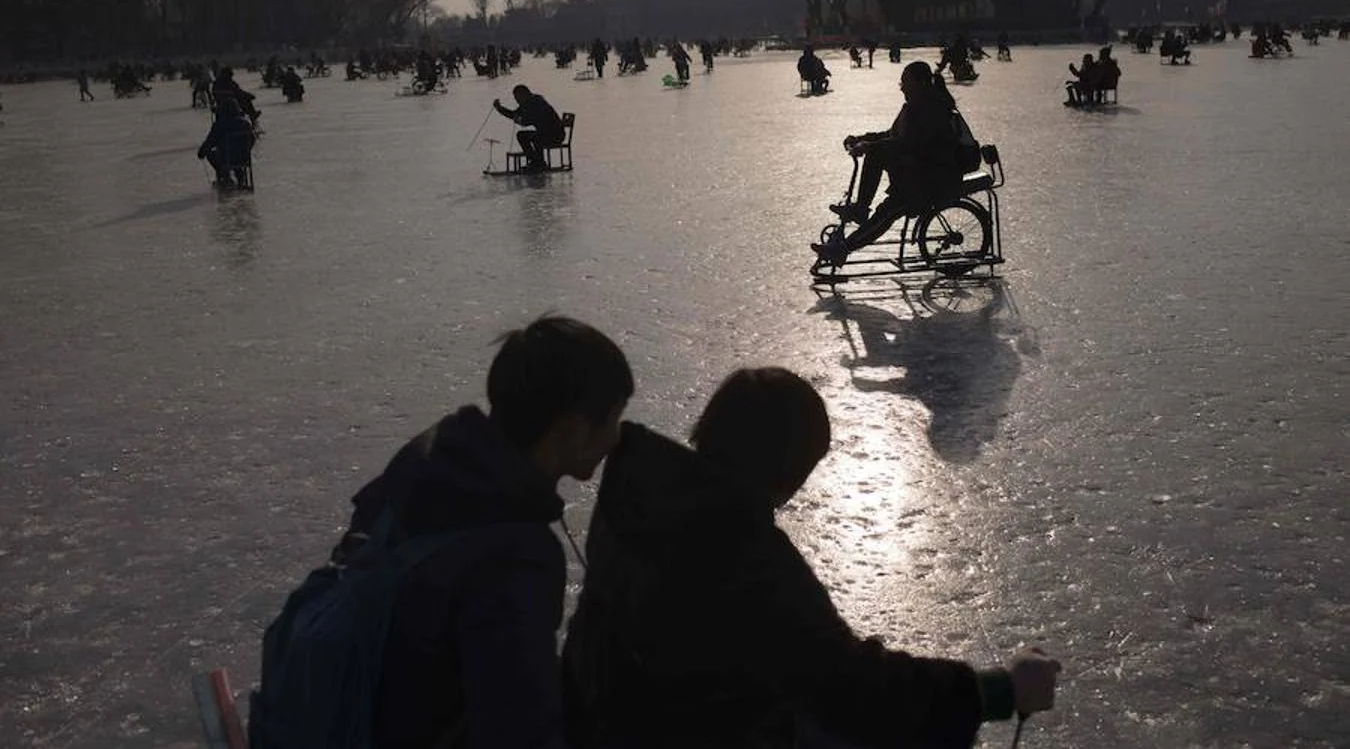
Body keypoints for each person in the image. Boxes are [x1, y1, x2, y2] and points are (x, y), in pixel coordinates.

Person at [562, 367, 1061, 749]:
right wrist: (995, 691)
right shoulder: (741, 556)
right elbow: (852, 687)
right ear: (788, 469)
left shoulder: (639, 499)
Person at [250, 316, 634, 749]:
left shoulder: (432, 465)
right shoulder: (513, 557)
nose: (618, 438)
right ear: (572, 429)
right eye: (615, 418)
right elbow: (518, 729)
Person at [812, 61, 964, 265]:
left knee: (886, 213)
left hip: (930, 182)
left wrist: (869, 146)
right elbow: (892, 136)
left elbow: (910, 142)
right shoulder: (916, 106)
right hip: (915, 174)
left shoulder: (932, 110)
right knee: (877, 153)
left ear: (920, 84)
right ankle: (861, 208)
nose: (902, 89)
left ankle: (844, 248)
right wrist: (863, 139)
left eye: (906, 84)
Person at [495, 84, 566, 172]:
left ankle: (539, 163)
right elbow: (514, 114)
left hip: (556, 134)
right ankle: (534, 161)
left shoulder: (537, 102)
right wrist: (500, 109)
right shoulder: (526, 103)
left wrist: (520, 121)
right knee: (521, 135)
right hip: (543, 133)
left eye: (517, 98)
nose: (517, 101)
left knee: (536, 137)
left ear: (524, 95)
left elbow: (530, 119)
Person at [197, 97, 256, 188]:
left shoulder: (220, 124)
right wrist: (247, 150)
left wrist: (201, 153)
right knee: (234, 152)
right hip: (244, 157)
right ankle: (239, 174)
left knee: (210, 153)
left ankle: (223, 174)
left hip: (226, 158)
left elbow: (210, 142)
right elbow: (252, 139)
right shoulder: (246, 123)